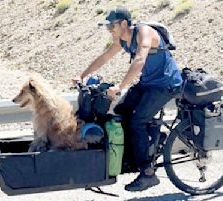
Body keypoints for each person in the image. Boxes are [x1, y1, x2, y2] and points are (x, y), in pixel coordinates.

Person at [73, 6, 183, 191]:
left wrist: (120, 87)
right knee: (119, 113)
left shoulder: (144, 33)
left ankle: (148, 173)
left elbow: (139, 60)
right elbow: (105, 57)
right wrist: (82, 75)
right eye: (107, 27)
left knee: (137, 122)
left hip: (166, 85)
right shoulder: (122, 40)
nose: (109, 30)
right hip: (148, 83)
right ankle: (134, 153)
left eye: (112, 26)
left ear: (124, 23)